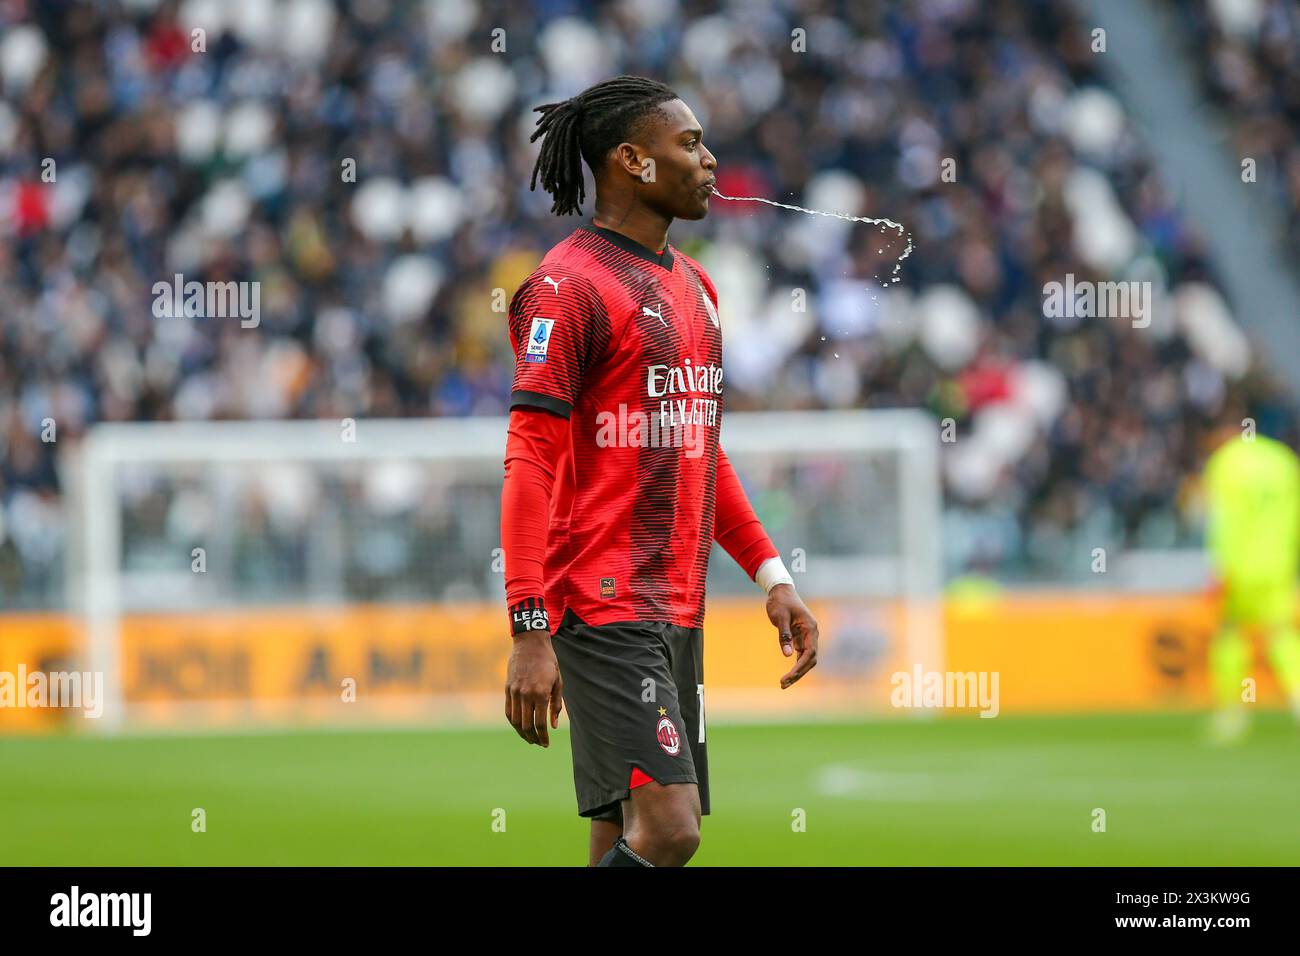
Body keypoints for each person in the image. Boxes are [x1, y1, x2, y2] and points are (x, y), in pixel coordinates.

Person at [499, 75, 820, 866]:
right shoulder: (566, 289)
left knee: (621, 833)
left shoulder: (697, 290)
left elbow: (699, 450)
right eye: (691, 144)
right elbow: (530, 459)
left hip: (677, 608)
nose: (709, 161)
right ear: (632, 161)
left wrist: (773, 576)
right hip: (604, 604)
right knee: (673, 831)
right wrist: (529, 626)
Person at [1202, 418, 1300, 743]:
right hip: (1278, 563)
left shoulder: (1227, 463)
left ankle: (1232, 713)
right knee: (1281, 632)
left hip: (1240, 564)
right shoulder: (1283, 460)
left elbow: (1223, 520)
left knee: (1230, 630)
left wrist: (1219, 567)